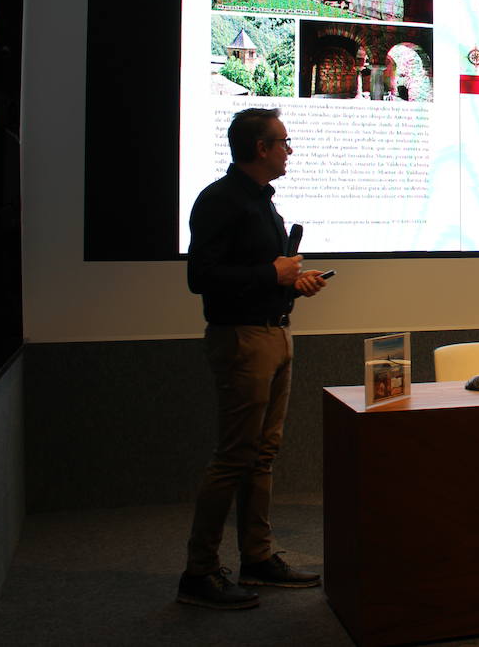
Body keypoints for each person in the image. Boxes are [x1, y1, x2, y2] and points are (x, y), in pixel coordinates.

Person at [177, 108, 328, 610]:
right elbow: (202, 277)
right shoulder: (220, 200)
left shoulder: (264, 203)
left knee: (262, 455)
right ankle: (199, 572)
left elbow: (262, 273)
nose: (289, 150)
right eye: (284, 142)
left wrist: (292, 284)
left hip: (274, 333)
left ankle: (257, 558)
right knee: (233, 458)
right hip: (241, 340)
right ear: (260, 149)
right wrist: (272, 274)